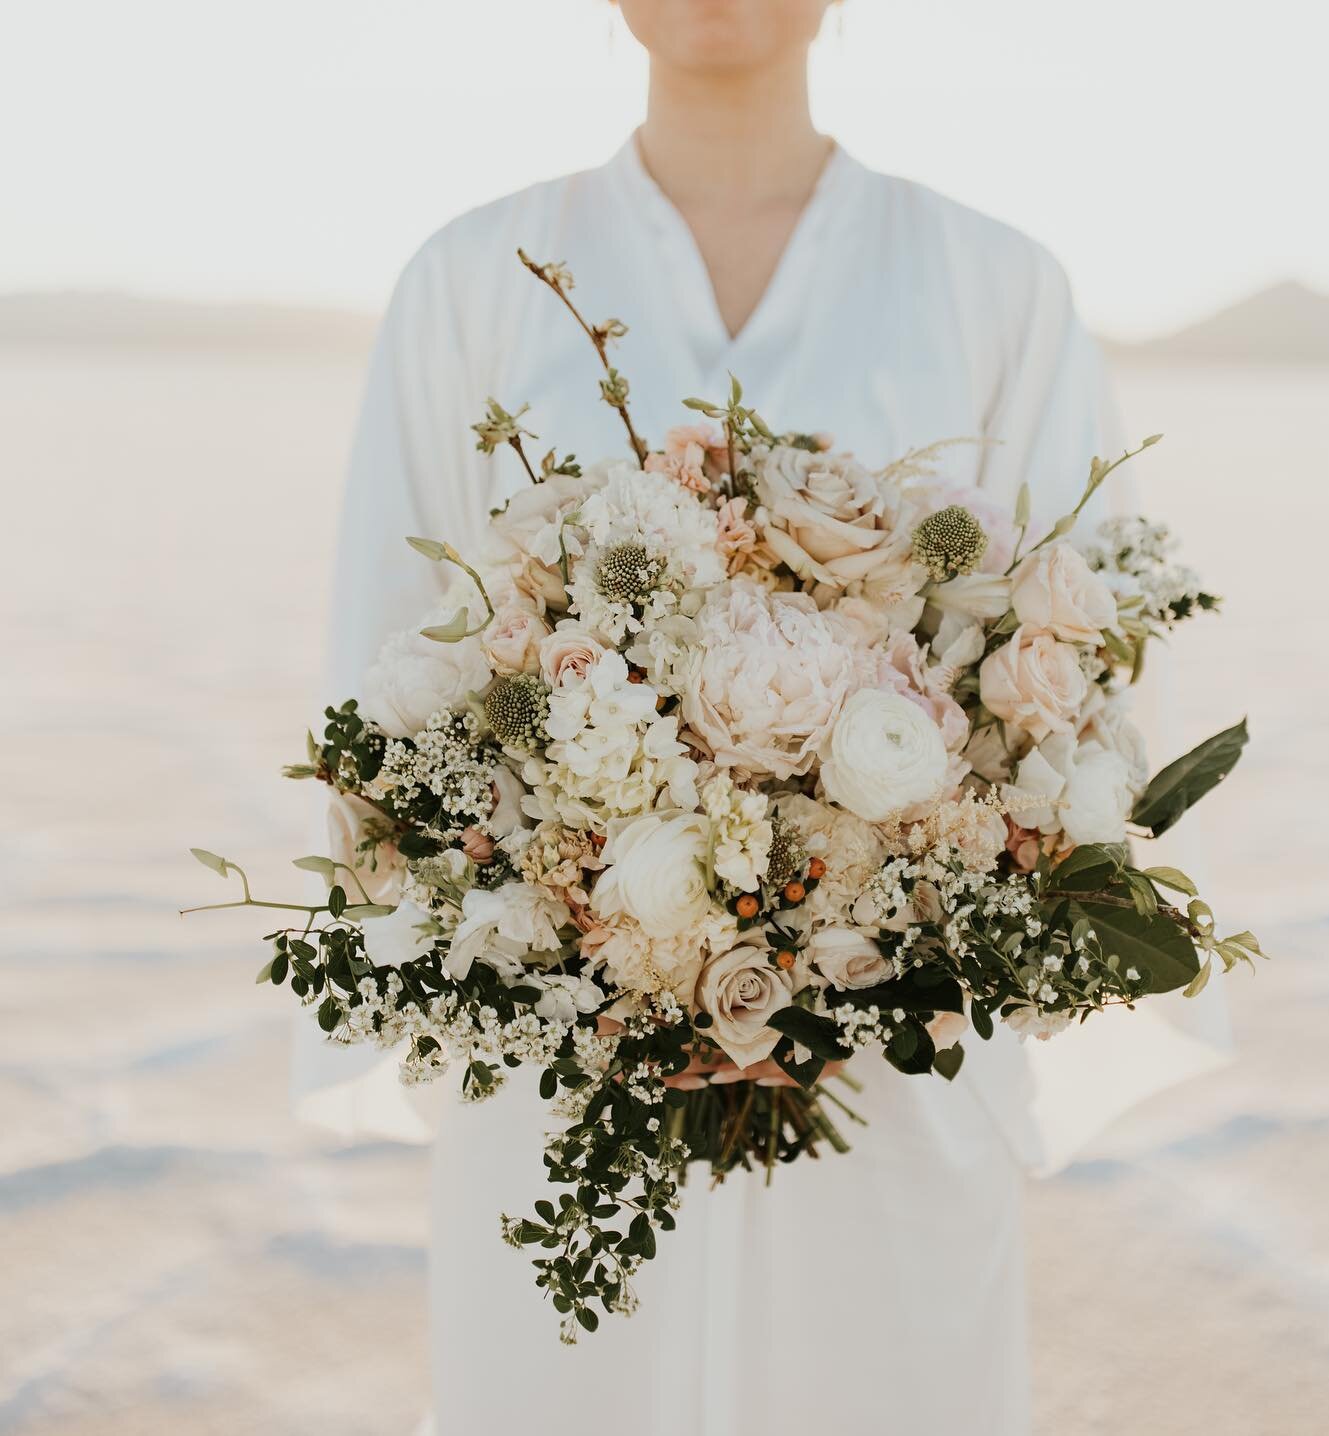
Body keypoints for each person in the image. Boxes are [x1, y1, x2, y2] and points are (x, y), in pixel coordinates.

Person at [300, 2, 1228, 1430]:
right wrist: (597, 949)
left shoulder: (995, 284)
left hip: (891, 1090)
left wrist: (876, 937)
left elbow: (1083, 686)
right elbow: (380, 704)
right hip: (566, 1102)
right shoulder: (473, 282)